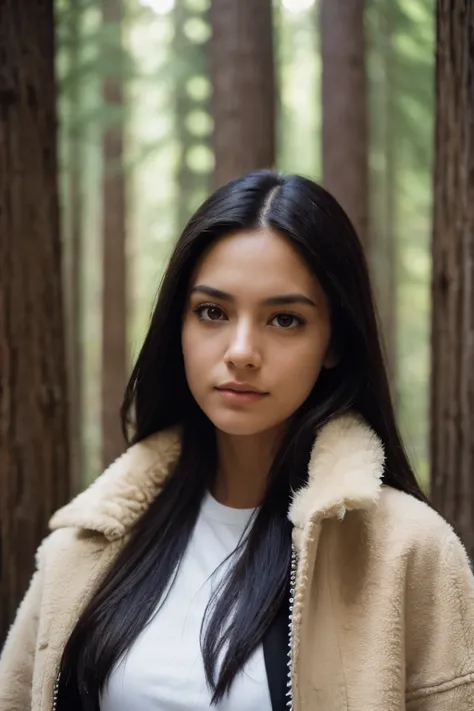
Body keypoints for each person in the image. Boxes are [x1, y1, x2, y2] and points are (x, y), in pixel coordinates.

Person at [1, 170, 473, 711]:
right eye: (213, 312)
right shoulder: (88, 543)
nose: (242, 350)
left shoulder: (407, 551)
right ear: (177, 327)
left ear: (334, 343)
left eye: (285, 319)